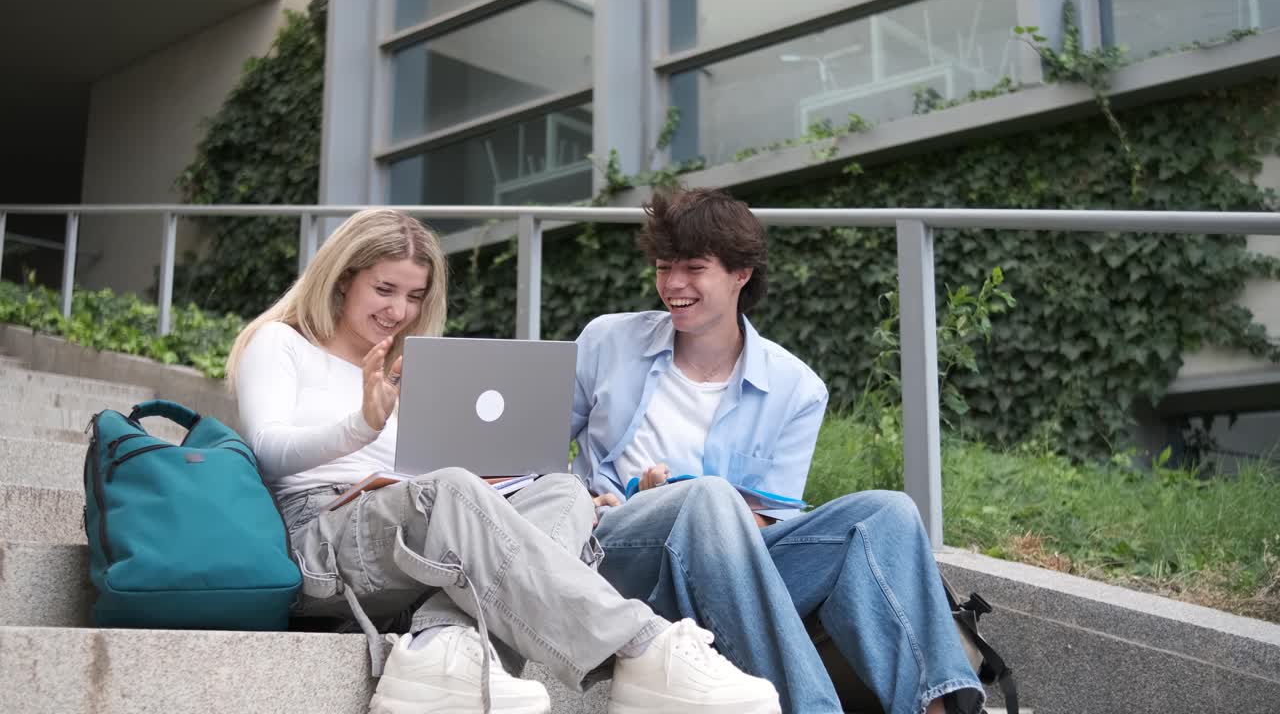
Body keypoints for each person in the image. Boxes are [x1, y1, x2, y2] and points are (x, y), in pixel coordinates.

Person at [227, 208, 782, 714]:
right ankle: (644, 650)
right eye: (384, 289)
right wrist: (362, 426)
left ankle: (442, 647)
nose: (399, 310)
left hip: (409, 527)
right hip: (320, 536)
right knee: (449, 489)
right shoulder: (280, 343)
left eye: (416, 296)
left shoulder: (404, 366)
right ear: (342, 277)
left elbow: (424, 479)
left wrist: (504, 482)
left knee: (563, 492)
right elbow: (269, 451)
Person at [571, 188, 986, 714]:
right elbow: (528, 451)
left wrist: (692, 500)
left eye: (694, 268)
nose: (673, 284)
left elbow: (772, 522)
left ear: (740, 274)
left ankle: (941, 707)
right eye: (663, 266)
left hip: (735, 576)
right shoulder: (606, 341)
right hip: (619, 552)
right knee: (707, 498)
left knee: (889, 512)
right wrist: (594, 502)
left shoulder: (796, 388)